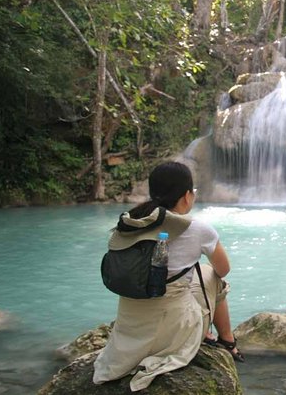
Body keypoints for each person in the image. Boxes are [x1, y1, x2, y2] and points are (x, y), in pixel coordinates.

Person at [93, 161, 244, 392]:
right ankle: (227, 340)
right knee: (212, 276)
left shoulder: (129, 223)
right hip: (172, 333)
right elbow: (223, 270)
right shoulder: (198, 229)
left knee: (189, 275)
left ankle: (219, 335)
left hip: (129, 333)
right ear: (186, 196)